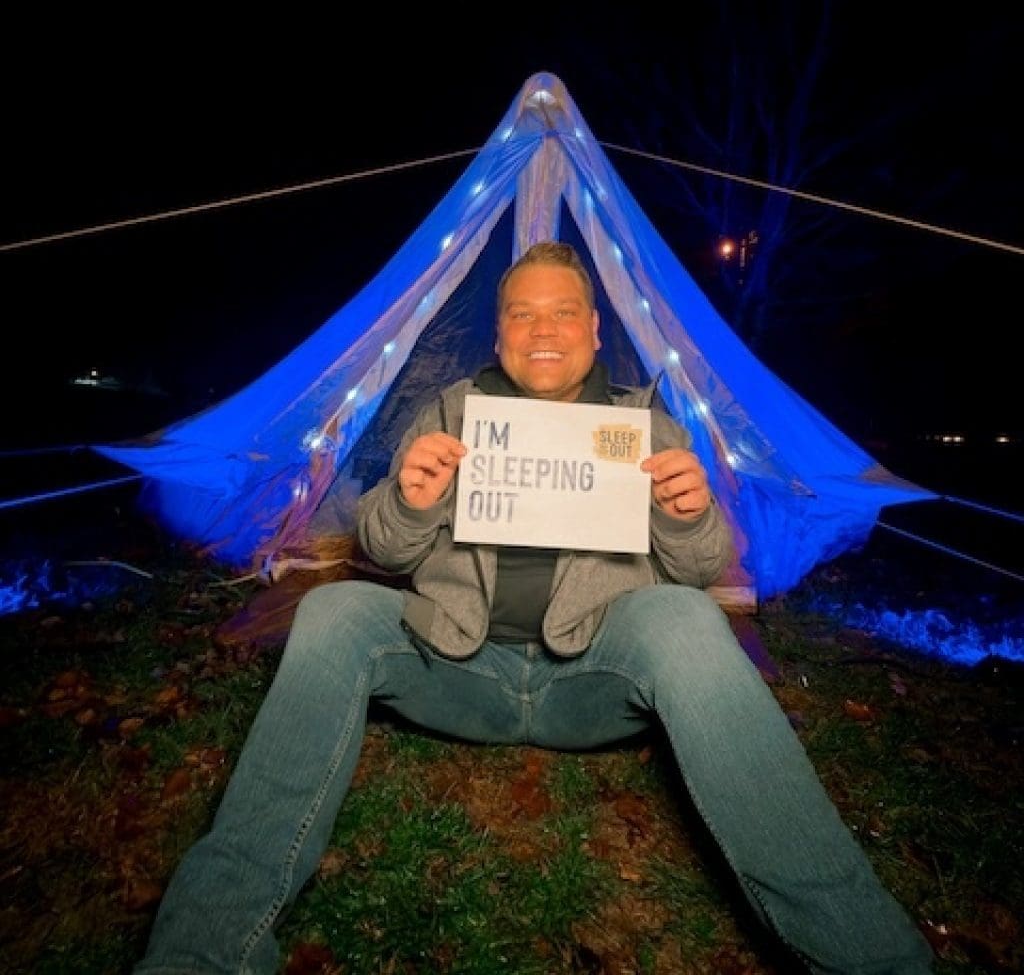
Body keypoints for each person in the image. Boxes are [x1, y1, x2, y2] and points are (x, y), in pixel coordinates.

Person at [133, 241, 934, 974]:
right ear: (500, 335)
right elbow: (386, 547)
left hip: (591, 680)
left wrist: (691, 516)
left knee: (685, 620)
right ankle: (205, 953)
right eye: (521, 313)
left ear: (592, 331)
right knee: (335, 611)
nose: (540, 330)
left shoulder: (643, 423)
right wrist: (409, 500)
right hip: (456, 668)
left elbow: (698, 568)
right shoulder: (450, 411)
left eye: (561, 314)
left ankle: (869, 959)